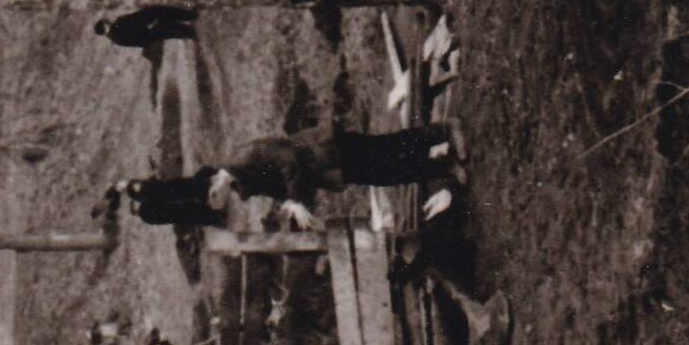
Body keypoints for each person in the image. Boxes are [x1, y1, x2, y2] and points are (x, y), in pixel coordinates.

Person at [206, 121, 468, 227]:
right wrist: (296, 208)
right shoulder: (242, 184)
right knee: (388, 175)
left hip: (326, 148)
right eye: (216, 202)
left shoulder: (243, 157)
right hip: (327, 169)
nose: (220, 200)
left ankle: (443, 130)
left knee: (388, 147)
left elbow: (289, 161)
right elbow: (284, 190)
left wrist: (295, 200)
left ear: (213, 179)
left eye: (214, 194)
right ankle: (442, 167)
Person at [128, 172, 223, 228]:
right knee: (197, 208)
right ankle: (218, 212)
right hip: (177, 205)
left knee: (199, 216)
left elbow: (161, 217)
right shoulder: (145, 207)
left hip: (177, 214)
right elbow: (160, 202)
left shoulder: (146, 216)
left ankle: (218, 217)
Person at [94, 7, 197, 49]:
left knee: (171, 28)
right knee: (170, 23)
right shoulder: (117, 32)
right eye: (105, 22)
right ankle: (191, 21)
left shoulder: (115, 36)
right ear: (105, 27)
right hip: (149, 28)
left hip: (149, 29)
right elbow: (133, 31)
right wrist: (148, 27)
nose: (108, 20)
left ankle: (190, 27)